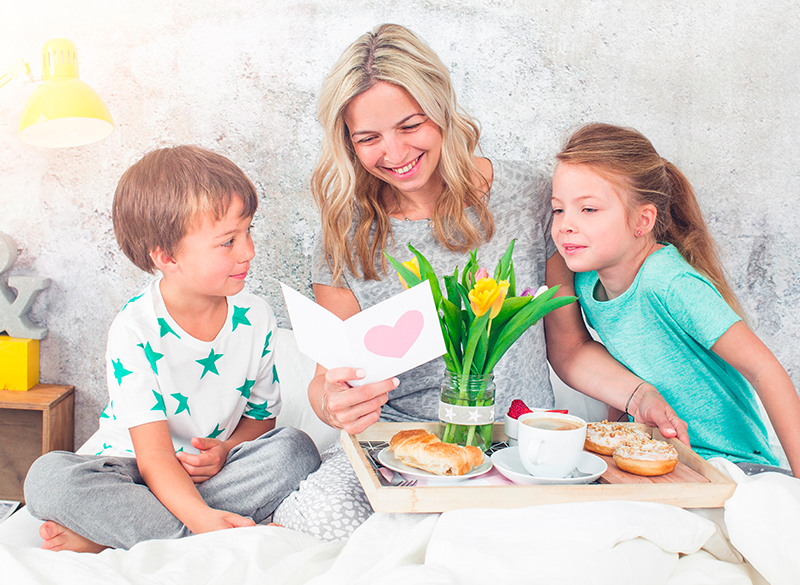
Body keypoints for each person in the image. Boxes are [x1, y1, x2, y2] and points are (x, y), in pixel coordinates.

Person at [273, 24, 688, 541]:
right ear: (347, 142)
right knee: (318, 526)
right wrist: (332, 402)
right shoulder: (344, 236)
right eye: (368, 138)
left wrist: (639, 395)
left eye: (411, 125)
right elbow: (327, 377)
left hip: (517, 445)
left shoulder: (533, 197)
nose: (394, 152)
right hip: (402, 447)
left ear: (442, 112)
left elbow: (569, 347)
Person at [23, 146, 321, 552]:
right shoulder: (135, 329)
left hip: (208, 474)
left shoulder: (256, 316)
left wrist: (225, 450)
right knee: (48, 477)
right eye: (227, 242)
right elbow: (153, 457)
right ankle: (195, 530)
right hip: (132, 471)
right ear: (166, 257)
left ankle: (112, 533)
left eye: (248, 231)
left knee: (295, 449)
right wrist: (203, 521)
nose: (248, 251)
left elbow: (260, 422)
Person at [551, 122, 800, 477]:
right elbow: (627, 363)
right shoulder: (588, 281)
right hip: (660, 456)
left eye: (588, 209)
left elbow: (765, 370)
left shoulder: (670, 283)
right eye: (558, 210)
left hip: (731, 462)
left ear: (643, 220)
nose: (565, 225)